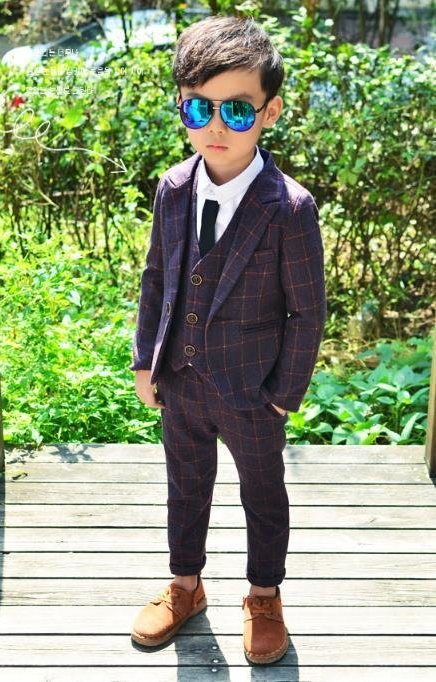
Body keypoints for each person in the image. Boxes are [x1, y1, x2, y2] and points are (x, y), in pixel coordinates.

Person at [129, 14, 326, 665]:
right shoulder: (173, 188)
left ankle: (264, 595)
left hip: (253, 389)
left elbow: (306, 312)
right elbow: (157, 278)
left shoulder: (288, 207)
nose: (215, 126)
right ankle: (185, 584)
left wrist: (283, 395)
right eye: (199, 107)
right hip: (182, 381)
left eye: (237, 110)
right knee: (185, 485)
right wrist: (145, 361)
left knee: (262, 493)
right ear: (181, 106)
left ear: (269, 111)